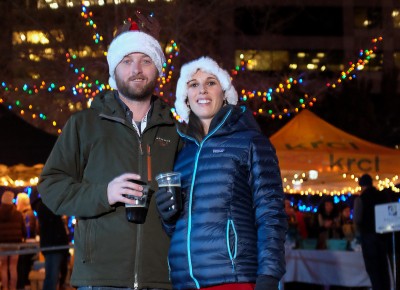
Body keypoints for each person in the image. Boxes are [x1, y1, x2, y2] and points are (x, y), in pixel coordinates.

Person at [37, 14, 181, 290]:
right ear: (114, 69)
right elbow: (51, 186)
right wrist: (105, 194)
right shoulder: (84, 124)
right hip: (99, 280)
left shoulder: (176, 131)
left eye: (146, 60)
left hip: (162, 278)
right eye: (127, 61)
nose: (136, 69)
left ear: (158, 69)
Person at [155, 56, 287, 290]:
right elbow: (181, 228)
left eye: (211, 82)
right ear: (185, 97)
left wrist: (269, 275)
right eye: (193, 84)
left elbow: (271, 213)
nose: (202, 90)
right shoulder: (183, 154)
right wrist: (168, 217)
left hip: (233, 279)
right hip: (185, 281)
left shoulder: (250, 142)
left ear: (225, 93)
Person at [353, 174, 391, 290]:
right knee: (383, 268)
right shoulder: (383, 196)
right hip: (384, 237)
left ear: (361, 186)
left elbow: (357, 219)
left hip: (369, 238)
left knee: (373, 270)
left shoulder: (361, 199)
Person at [31, 197, 70, 290]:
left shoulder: (43, 206)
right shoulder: (48, 206)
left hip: (53, 245)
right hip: (54, 245)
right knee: (52, 276)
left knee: (52, 275)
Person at [0, 191, 26, 290]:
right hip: (15, 242)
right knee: (13, 267)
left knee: (4, 267)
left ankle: (5, 288)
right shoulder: (18, 214)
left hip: (2, 243)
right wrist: (23, 237)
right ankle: (13, 288)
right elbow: (23, 229)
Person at [15, 193, 38, 290]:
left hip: (27, 247)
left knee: (23, 268)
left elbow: (28, 232)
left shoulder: (27, 215)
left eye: (17, 202)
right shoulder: (30, 213)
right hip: (29, 246)